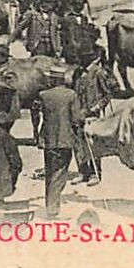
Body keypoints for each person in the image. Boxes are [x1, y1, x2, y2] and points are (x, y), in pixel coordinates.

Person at [37, 66, 85, 218]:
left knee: (50, 173)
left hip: (48, 139)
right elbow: (77, 119)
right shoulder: (71, 95)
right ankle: (52, 209)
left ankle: (50, 206)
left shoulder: (44, 95)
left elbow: (37, 114)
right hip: (65, 139)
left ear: (53, 79)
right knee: (60, 174)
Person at [73, 49, 119, 184]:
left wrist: (96, 107)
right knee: (78, 143)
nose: (81, 62)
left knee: (92, 144)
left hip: (92, 115)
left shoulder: (98, 73)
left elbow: (107, 95)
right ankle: (82, 172)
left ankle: (95, 174)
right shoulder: (78, 73)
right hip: (78, 113)